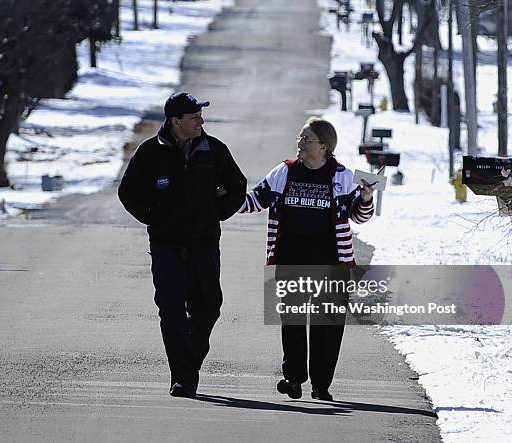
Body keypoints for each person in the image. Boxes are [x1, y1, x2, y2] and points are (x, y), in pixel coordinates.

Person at [118, 92, 247, 398]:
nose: (201, 121)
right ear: (175, 121)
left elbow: (238, 187)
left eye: (200, 116)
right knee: (172, 310)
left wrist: (217, 212)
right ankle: (183, 377)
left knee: (209, 307)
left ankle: (188, 364)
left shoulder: (214, 150)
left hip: (204, 242)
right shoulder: (150, 152)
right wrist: (153, 217)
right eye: (194, 117)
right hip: (166, 244)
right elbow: (128, 192)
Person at [239, 117, 374, 401]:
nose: (300, 143)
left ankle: (321, 385)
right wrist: (221, 200)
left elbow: (360, 217)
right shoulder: (284, 171)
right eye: (300, 138)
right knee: (293, 321)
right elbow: (255, 200)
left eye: (306, 139)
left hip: (332, 262)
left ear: (324, 146)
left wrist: (365, 198)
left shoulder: (344, 176)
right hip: (292, 258)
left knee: (328, 326)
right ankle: (293, 377)